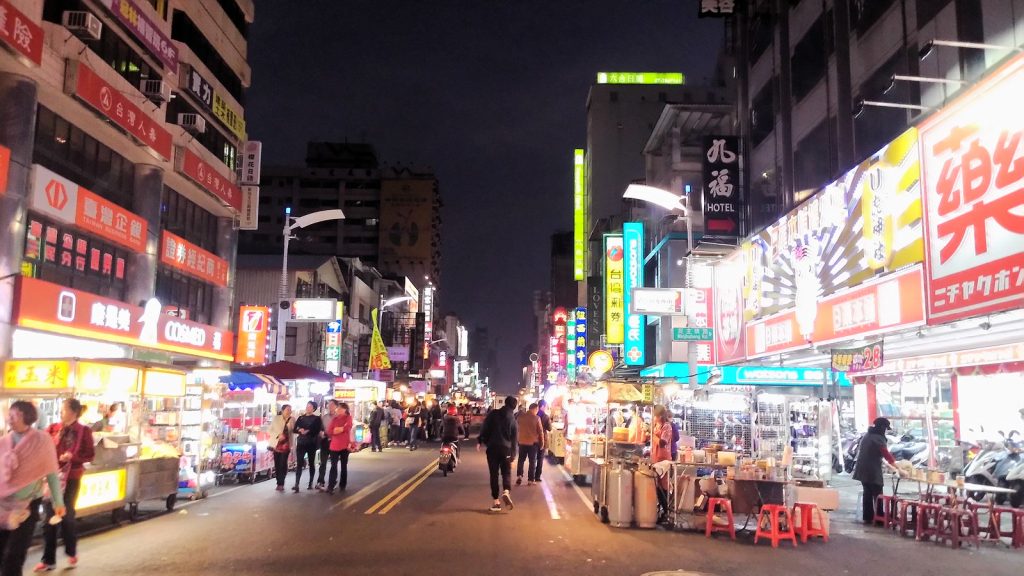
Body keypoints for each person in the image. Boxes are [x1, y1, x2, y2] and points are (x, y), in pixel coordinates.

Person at [0, 401, 65, 576]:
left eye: (13, 416)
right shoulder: (4, 441)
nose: (9, 419)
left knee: (15, 554)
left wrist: (58, 502)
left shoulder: (42, 440)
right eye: (9, 415)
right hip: (3, 506)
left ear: (26, 417)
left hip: (28, 506)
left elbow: (52, 472)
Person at [35, 399, 94, 573]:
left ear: (73, 412)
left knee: (66, 515)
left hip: (71, 478)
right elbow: (42, 446)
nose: (61, 412)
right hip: (52, 477)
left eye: (64, 409)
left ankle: (71, 550)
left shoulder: (83, 431)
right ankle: (48, 560)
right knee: (48, 519)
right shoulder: (53, 428)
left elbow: (90, 455)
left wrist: (73, 458)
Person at [853, 417, 898, 524]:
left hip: (862, 468)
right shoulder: (878, 438)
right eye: (885, 428)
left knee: (867, 492)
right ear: (882, 427)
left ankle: (868, 517)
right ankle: (879, 518)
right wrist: (896, 465)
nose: (885, 430)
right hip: (871, 469)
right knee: (877, 492)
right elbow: (885, 453)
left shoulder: (868, 435)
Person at [478, 396, 519, 512]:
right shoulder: (513, 420)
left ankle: (496, 502)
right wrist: (513, 457)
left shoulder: (493, 414)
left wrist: (481, 440)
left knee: (494, 474)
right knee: (506, 472)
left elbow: (485, 428)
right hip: (506, 449)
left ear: (505, 403)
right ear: (514, 406)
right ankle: (506, 491)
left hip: (492, 448)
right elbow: (514, 440)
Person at [292, 402, 322, 492]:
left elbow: (317, 430)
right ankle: (296, 484)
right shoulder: (301, 418)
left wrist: (307, 431)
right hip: (301, 443)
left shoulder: (316, 419)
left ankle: (310, 483)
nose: (307, 408)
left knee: (311, 463)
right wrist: (299, 430)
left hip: (311, 443)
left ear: (313, 409)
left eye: (310, 407)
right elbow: (294, 429)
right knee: (299, 463)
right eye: (307, 406)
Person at [325, 402, 353, 494]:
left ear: (345, 410)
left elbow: (347, 427)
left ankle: (342, 484)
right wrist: (339, 429)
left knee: (343, 466)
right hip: (334, 445)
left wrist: (337, 430)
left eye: (340, 408)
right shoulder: (335, 419)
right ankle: (331, 485)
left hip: (344, 445)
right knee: (333, 466)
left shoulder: (348, 417)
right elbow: (329, 431)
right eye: (338, 408)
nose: (338, 410)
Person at [515, 403, 545, 486]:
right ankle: (530, 480)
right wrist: (542, 443)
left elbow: (517, 429)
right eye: (537, 410)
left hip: (522, 442)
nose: (537, 411)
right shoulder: (537, 418)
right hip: (533, 443)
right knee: (532, 462)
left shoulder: (520, 417)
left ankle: (519, 475)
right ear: (534, 409)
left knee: (521, 460)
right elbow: (540, 432)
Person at [268, 405, 293, 492]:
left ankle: (281, 483)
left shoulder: (292, 419)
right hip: (276, 445)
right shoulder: (276, 419)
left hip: (286, 446)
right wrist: (278, 435)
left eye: (290, 410)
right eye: (287, 409)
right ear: (282, 410)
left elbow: (295, 430)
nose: (289, 411)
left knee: (283, 464)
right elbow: (269, 430)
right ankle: (278, 481)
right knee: (277, 464)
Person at [315, 400, 337, 490]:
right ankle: (321, 481)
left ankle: (332, 482)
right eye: (329, 405)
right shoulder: (324, 417)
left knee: (334, 463)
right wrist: (321, 433)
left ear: (336, 406)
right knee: (323, 463)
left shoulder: (338, 417)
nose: (330, 406)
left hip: (335, 442)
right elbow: (320, 428)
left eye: (332, 405)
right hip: (325, 442)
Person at [535, 400, 552, 479]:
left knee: (533, 458)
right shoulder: (546, 416)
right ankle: (537, 476)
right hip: (542, 439)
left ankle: (531, 476)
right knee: (540, 458)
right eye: (545, 406)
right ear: (542, 406)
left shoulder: (534, 414)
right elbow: (549, 428)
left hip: (534, 439)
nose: (545, 408)